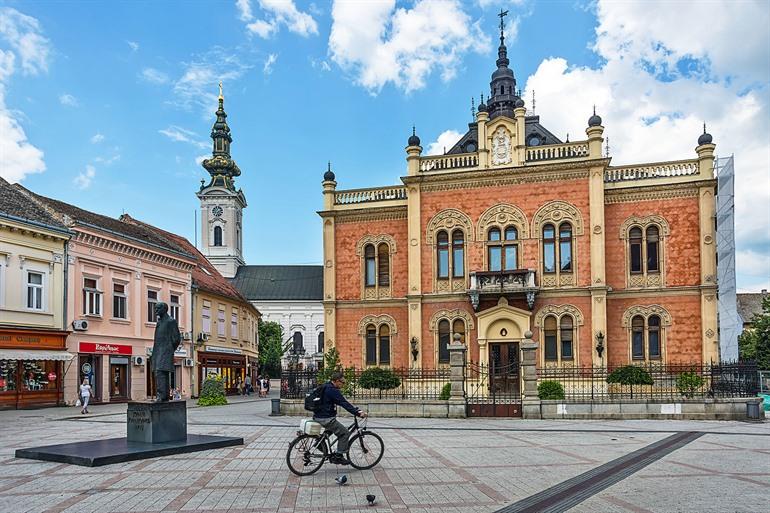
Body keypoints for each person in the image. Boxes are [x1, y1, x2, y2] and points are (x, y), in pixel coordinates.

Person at [313, 370, 368, 465]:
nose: (343, 385)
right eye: (342, 382)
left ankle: (319, 443)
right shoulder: (332, 390)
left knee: (332, 428)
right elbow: (343, 403)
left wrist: (355, 410)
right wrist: (358, 413)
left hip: (318, 416)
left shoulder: (325, 386)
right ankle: (338, 456)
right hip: (326, 419)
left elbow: (339, 402)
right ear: (337, 381)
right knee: (345, 433)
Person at [150, 302, 181, 402]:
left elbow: (177, 338)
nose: (156, 310)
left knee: (160, 371)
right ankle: (165, 396)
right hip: (157, 351)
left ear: (164, 309)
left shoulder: (170, 321)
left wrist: (170, 349)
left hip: (165, 351)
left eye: (158, 308)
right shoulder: (159, 322)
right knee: (160, 372)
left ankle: (161, 395)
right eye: (155, 308)